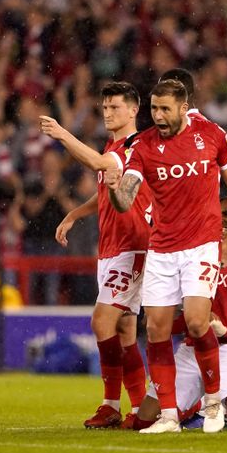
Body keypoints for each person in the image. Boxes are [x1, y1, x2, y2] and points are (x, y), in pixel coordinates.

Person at [106, 78, 227, 434]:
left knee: (198, 322)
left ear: (184, 108)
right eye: (154, 108)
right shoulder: (144, 146)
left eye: (165, 108)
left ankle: (213, 403)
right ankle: (169, 416)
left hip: (200, 245)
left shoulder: (212, 134)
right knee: (155, 329)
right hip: (162, 248)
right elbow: (127, 196)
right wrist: (115, 189)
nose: (158, 116)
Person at [39, 81, 151, 429]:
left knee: (101, 321)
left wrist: (62, 134)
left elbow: (99, 164)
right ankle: (134, 408)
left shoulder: (133, 147)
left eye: (115, 107)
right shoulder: (114, 145)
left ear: (133, 110)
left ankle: (113, 404)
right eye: (104, 107)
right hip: (112, 247)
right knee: (125, 331)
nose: (107, 113)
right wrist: (74, 214)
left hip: (131, 247)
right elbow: (105, 191)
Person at [135, 199, 227, 432]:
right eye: (218, 212)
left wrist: (224, 330)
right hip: (194, 347)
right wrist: (161, 321)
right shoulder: (198, 255)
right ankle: (200, 406)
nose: (222, 218)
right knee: (143, 421)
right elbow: (188, 317)